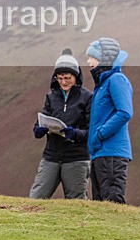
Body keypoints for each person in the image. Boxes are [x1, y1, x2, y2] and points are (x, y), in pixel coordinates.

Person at [29, 49, 93, 199]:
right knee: (36, 198)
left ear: (75, 76)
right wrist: (38, 129)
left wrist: (75, 133)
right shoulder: (51, 97)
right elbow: (41, 119)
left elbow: (91, 131)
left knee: (77, 203)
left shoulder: (87, 98)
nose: (63, 82)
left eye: (67, 78)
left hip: (76, 158)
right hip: (51, 156)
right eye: (59, 78)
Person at [85, 37, 133, 203]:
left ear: (103, 58)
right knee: (100, 206)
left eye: (92, 57)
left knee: (112, 203)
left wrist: (100, 134)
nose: (89, 62)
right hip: (100, 153)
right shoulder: (103, 83)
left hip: (111, 152)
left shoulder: (116, 80)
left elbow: (125, 112)